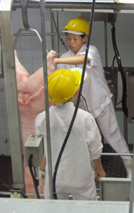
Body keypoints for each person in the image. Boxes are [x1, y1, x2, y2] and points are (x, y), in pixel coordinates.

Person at [51, 16, 133, 177]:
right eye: (68, 38)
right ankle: (93, 171)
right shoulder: (65, 57)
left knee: (112, 135)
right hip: (80, 107)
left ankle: (129, 166)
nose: (71, 42)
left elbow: (83, 59)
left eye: (75, 38)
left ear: (85, 38)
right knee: (85, 139)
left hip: (100, 102)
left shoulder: (90, 50)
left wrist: (55, 60)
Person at [37, 69, 106, 200]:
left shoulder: (42, 118)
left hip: (54, 178)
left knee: (53, 210)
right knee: (88, 210)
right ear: (75, 93)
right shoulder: (85, 118)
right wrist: (100, 170)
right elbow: (95, 150)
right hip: (80, 178)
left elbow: (47, 146)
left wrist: (42, 167)